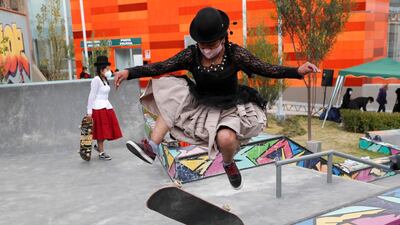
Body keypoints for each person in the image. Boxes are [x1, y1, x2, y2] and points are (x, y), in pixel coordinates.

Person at [114, 7, 319, 189]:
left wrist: (296, 71)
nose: (207, 50)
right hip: (200, 101)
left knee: (226, 139)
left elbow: (264, 68)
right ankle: (152, 146)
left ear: (222, 39)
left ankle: (229, 164)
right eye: (203, 45)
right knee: (173, 91)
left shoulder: (235, 54)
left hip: (230, 105)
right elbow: (161, 66)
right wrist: (130, 72)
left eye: (211, 44)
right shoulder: (191, 55)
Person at [87, 56, 123, 160]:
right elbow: (91, 96)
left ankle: (99, 148)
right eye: (107, 69)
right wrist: (89, 112)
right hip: (98, 108)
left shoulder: (104, 79)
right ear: (101, 69)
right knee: (101, 132)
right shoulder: (96, 80)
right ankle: (101, 152)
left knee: (106, 130)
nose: (109, 71)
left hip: (106, 106)